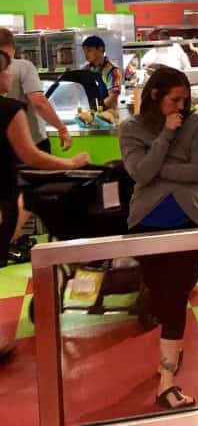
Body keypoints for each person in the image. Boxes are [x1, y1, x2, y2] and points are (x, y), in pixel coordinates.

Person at [119, 66, 198, 410]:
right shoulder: (131, 129)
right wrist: (166, 139)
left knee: (175, 296)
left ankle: (167, 379)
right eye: (175, 99)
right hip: (145, 223)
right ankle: (172, 350)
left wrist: (155, 168)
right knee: (160, 298)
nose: (181, 107)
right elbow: (139, 172)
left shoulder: (196, 124)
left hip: (189, 220)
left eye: (185, 100)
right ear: (155, 96)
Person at [0, 49, 89, 360]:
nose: (9, 77)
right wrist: (71, 163)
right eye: (5, 71)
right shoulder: (9, 110)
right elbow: (31, 156)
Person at [0, 29, 73, 263]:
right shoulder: (23, 66)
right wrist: (61, 127)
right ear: (12, 46)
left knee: (10, 196)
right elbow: (39, 101)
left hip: (5, 147)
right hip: (29, 140)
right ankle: (8, 240)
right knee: (32, 194)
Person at [81, 35, 122, 110]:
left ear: (100, 49)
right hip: (92, 112)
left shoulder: (112, 70)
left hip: (108, 115)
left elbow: (113, 96)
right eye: (84, 51)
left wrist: (98, 108)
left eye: (89, 50)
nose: (86, 55)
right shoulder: (86, 69)